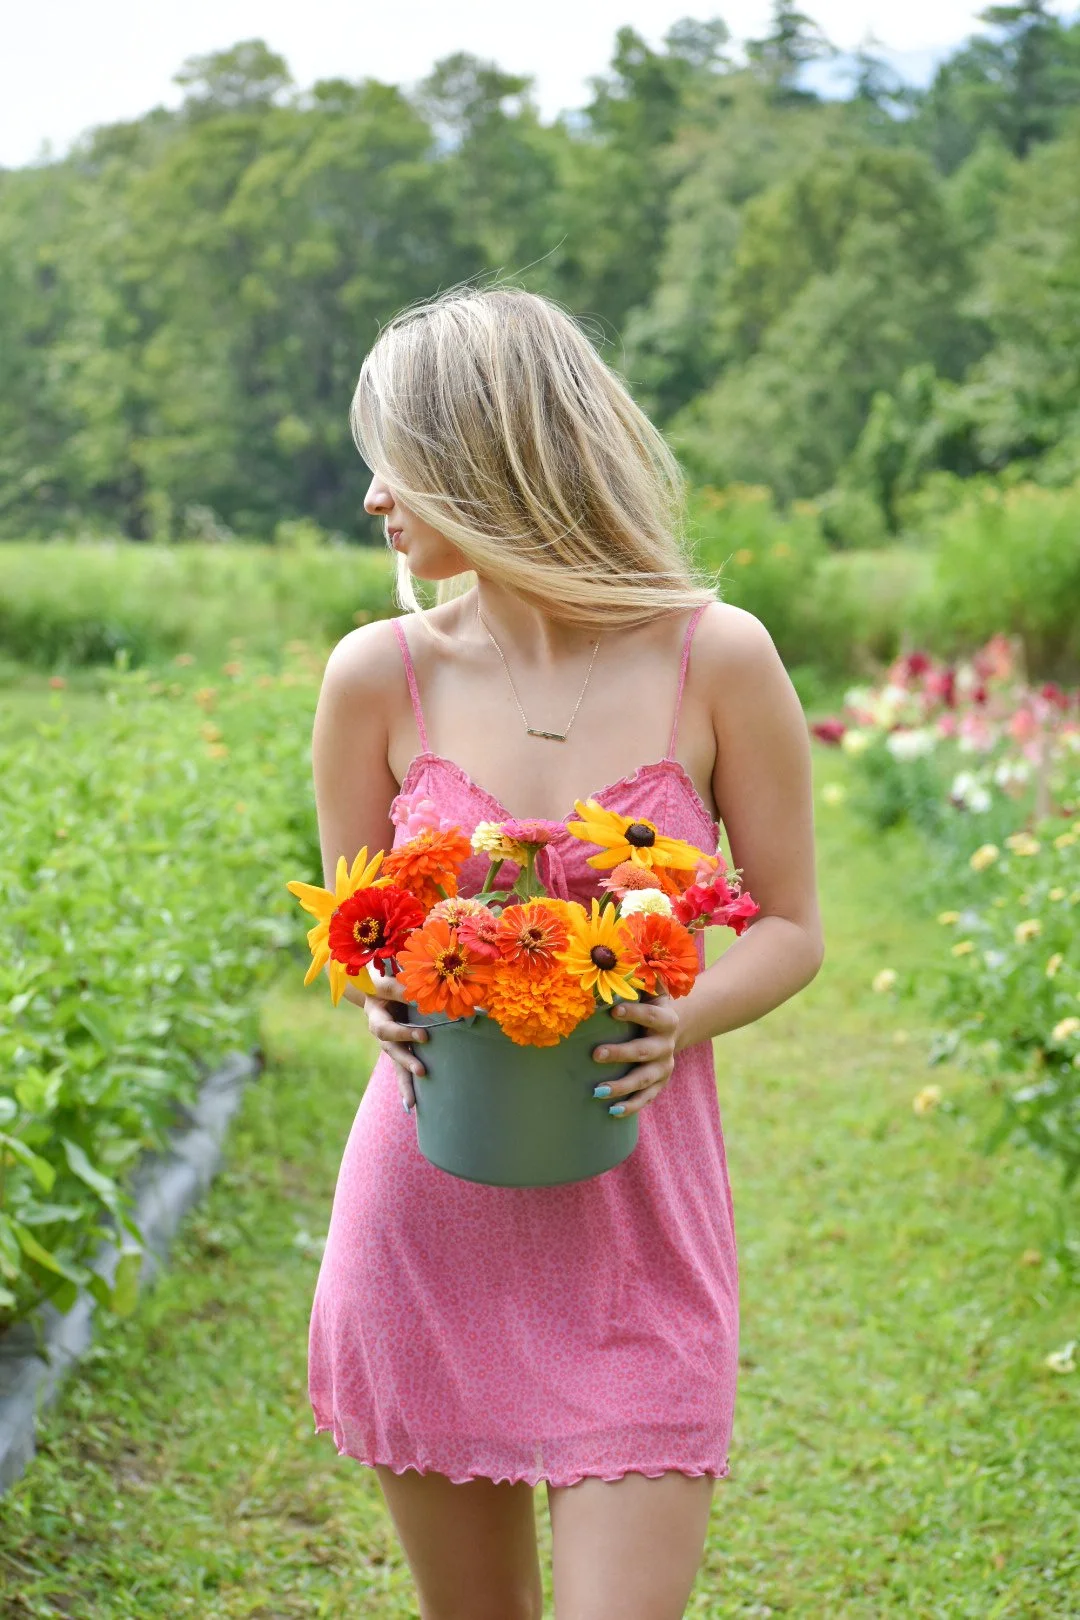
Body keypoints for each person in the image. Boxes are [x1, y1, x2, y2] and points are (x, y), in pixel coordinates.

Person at [304, 283, 823, 1620]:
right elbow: (363, 926)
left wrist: (679, 1017)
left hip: (638, 1235)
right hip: (429, 1219)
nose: (373, 500)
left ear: (488, 458)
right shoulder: (375, 676)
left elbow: (793, 927)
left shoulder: (720, 657)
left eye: (395, 460)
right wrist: (383, 990)